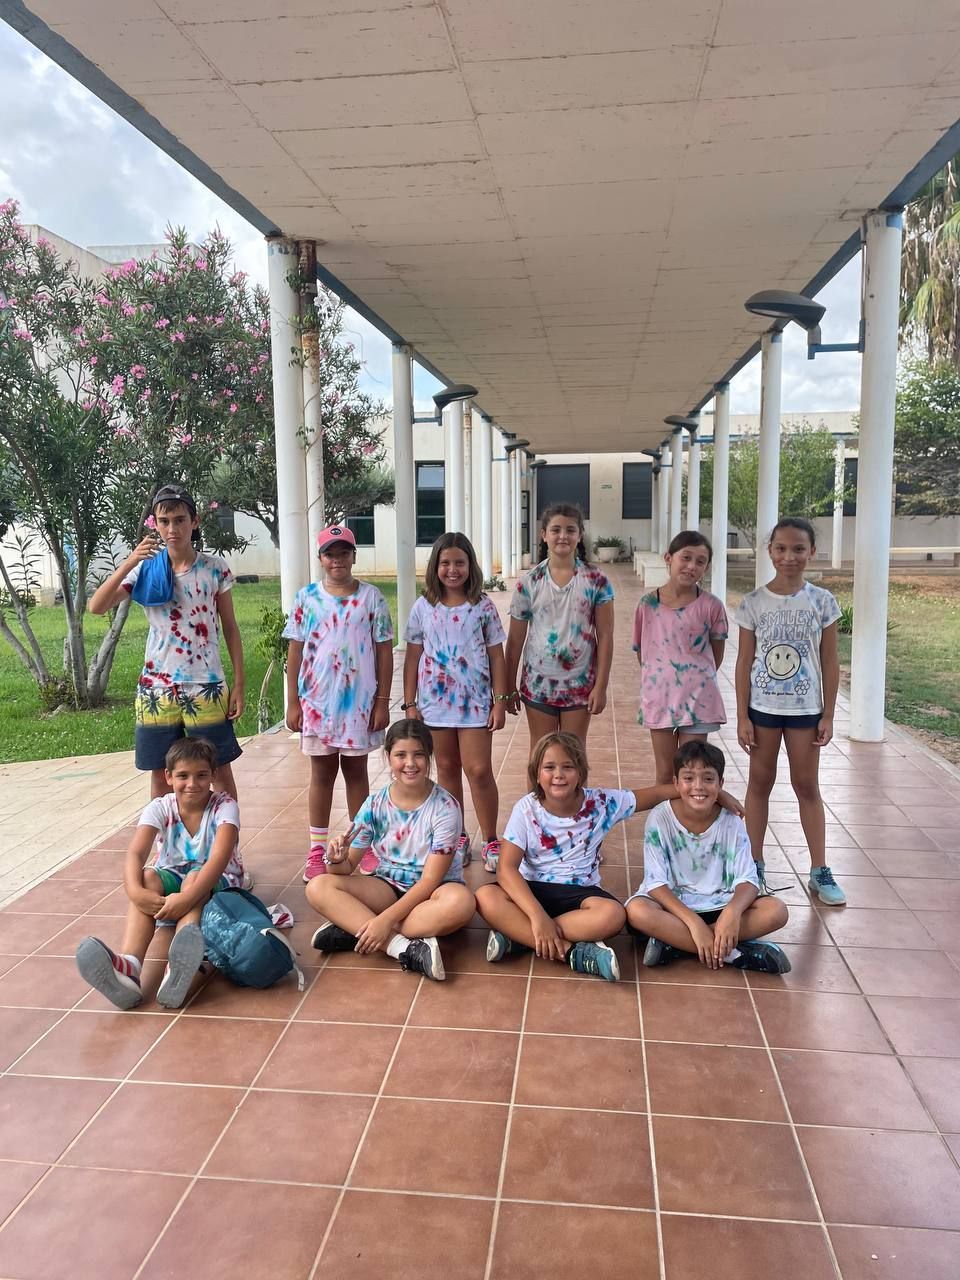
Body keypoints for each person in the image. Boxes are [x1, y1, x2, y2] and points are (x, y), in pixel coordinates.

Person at [475, 731, 745, 982]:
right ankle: (571, 952)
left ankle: (519, 936)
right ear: (536, 773)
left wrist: (716, 793)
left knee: (614, 915)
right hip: (532, 890)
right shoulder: (526, 809)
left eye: (568, 767)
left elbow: (655, 794)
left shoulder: (601, 803)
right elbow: (507, 869)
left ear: (581, 772)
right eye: (549, 767)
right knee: (486, 897)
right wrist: (537, 917)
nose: (558, 775)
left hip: (580, 894)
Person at [88, 483, 244, 801]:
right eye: (164, 521)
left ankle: (228, 832)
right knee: (161, 774)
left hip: (205, 684)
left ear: (194, 521)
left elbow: (230, 627)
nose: (172, 529)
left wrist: (239, 683)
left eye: (180, 520)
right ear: (155, 524)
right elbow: (97, 606)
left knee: (219, 769)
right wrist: (130, 562)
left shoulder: (214, 568)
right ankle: (165, 833)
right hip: (156, 688)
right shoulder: (146, 570)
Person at [75, 737, 242, 1009]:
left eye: (201, 775)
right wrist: (136, 892)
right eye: (183, 776)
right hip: (173, 879)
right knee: (147, 877)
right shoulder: (160, 807)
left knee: (194, 878)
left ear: (213, 775)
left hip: (216, 882)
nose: (192, 783)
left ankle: (180, 963)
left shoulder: (225, 806)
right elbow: (135, 853)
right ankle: (130, 967)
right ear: (168, 777)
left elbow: (219, 859)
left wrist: (187, 899)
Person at [307, 719, 476, 981]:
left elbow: (430, 881)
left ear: (429, 757)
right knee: (317, 886)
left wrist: (383, 921)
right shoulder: (374, 803)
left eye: (418, 754)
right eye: (400, 755)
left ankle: (357, 927)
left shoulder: (446, 808)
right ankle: (402, 947)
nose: (410, 763)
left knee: (462, 903)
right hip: (387, 887)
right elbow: (346, 868)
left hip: (434, 892)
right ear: (388, 757)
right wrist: (335, 859)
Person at [734, 517, 845, 906]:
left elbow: (829, 661)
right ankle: (753, 865)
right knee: (759, 783)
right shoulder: (754, 602)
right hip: (762, 710)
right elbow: (744, 661)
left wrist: (828, 714)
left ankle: (819, 869)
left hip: (805, 711)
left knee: (806, 785)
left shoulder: (822, 602)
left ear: (811, 551)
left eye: (798, 549)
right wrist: (743, 716)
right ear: (770, 551)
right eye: (781, 548)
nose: (789, 556)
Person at [284, 524, 393, 882]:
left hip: (358, 704)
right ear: (320, 558)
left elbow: (384, 652)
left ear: (353, 556)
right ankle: (317, 849)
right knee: (321, 775)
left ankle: (361, 846)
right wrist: (293, 702)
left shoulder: (372, 598)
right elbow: (295, 651)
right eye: (330, 554)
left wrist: (382, 701)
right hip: (318, 703)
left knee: (357, 773)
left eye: (344, 552)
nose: (337, 560)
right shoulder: (306, 598)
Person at [625, 741, 791, 972]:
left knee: (776, 911)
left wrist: (732, 913)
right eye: (688, 778)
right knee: (637, 911)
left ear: (721, 784)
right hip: (673, 908)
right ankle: (733, 954)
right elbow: (655, 883)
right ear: (675, 783)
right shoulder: (660, 817)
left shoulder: (731, 820)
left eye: (708, 779)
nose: (698, 787)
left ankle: (676, 945)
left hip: (720, 905)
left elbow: (748, 878)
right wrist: (694, 923)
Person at [402, 533, 510, 874]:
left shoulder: (483, 606)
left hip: (475, 705)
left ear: (470, 566)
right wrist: (410, 703)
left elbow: (497, 655)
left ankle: (490, 838)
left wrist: (500, 700)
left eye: (459, 563)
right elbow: (413, 657)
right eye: (445, 563)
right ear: (435, 567)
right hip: (435, 706)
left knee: (478, 770)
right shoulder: (423, 607)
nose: (452, 570)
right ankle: (458, 835)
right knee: (447, 769)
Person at [505, 503, 614, 753]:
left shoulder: (597, 581)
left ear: (580, 535)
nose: (563, 536)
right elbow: (515, 641)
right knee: (541, 752)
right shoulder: (529, 582)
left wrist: (601, 686)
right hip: (538, 684)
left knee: (573, 753)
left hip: (580, 683)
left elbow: (606, 636)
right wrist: (508, 686)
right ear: (544, 535)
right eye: (555, 530)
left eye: (570, 530)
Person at [634, 531, 728, 784]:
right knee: (665, 773)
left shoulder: (712, 606)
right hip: (659, 698)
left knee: (690, 772)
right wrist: (662, 676)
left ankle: (689, 813)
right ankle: (664, 812)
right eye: (685, 557)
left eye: (700, 561)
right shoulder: (647, 605)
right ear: (669, 558)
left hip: (698, 700)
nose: (691, 566)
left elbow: (716, 654)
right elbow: (643, 651)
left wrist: (694, 677)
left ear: (706, 567)